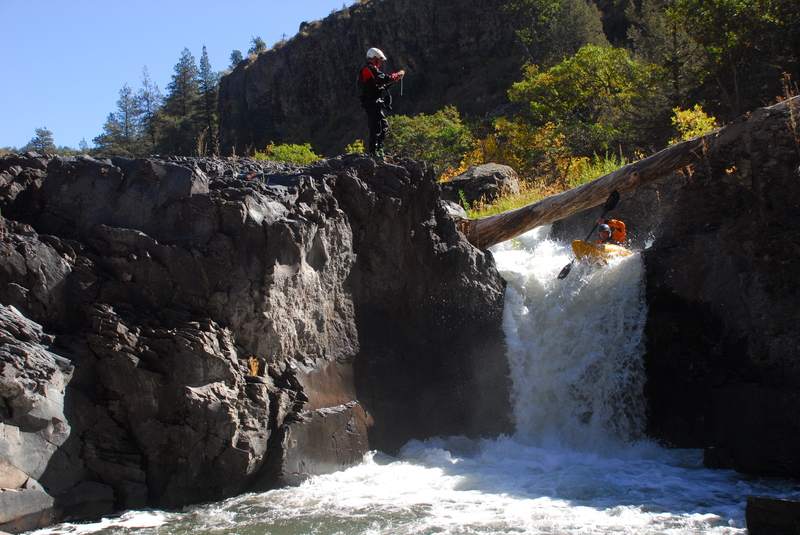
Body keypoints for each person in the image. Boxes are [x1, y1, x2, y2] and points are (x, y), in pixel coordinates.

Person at [358, 47, 405, 156]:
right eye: (380, 60)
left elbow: (381, 84)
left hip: (374, 102)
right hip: (371, 103)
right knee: (375, 127)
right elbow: (384, 79)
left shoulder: (371, 69)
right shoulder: (369, 68)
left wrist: (394, 79)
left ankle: (378, 150)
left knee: (384, 126)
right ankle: (373, 152)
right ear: (375, 58)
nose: (380, 63)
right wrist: (396, 75)